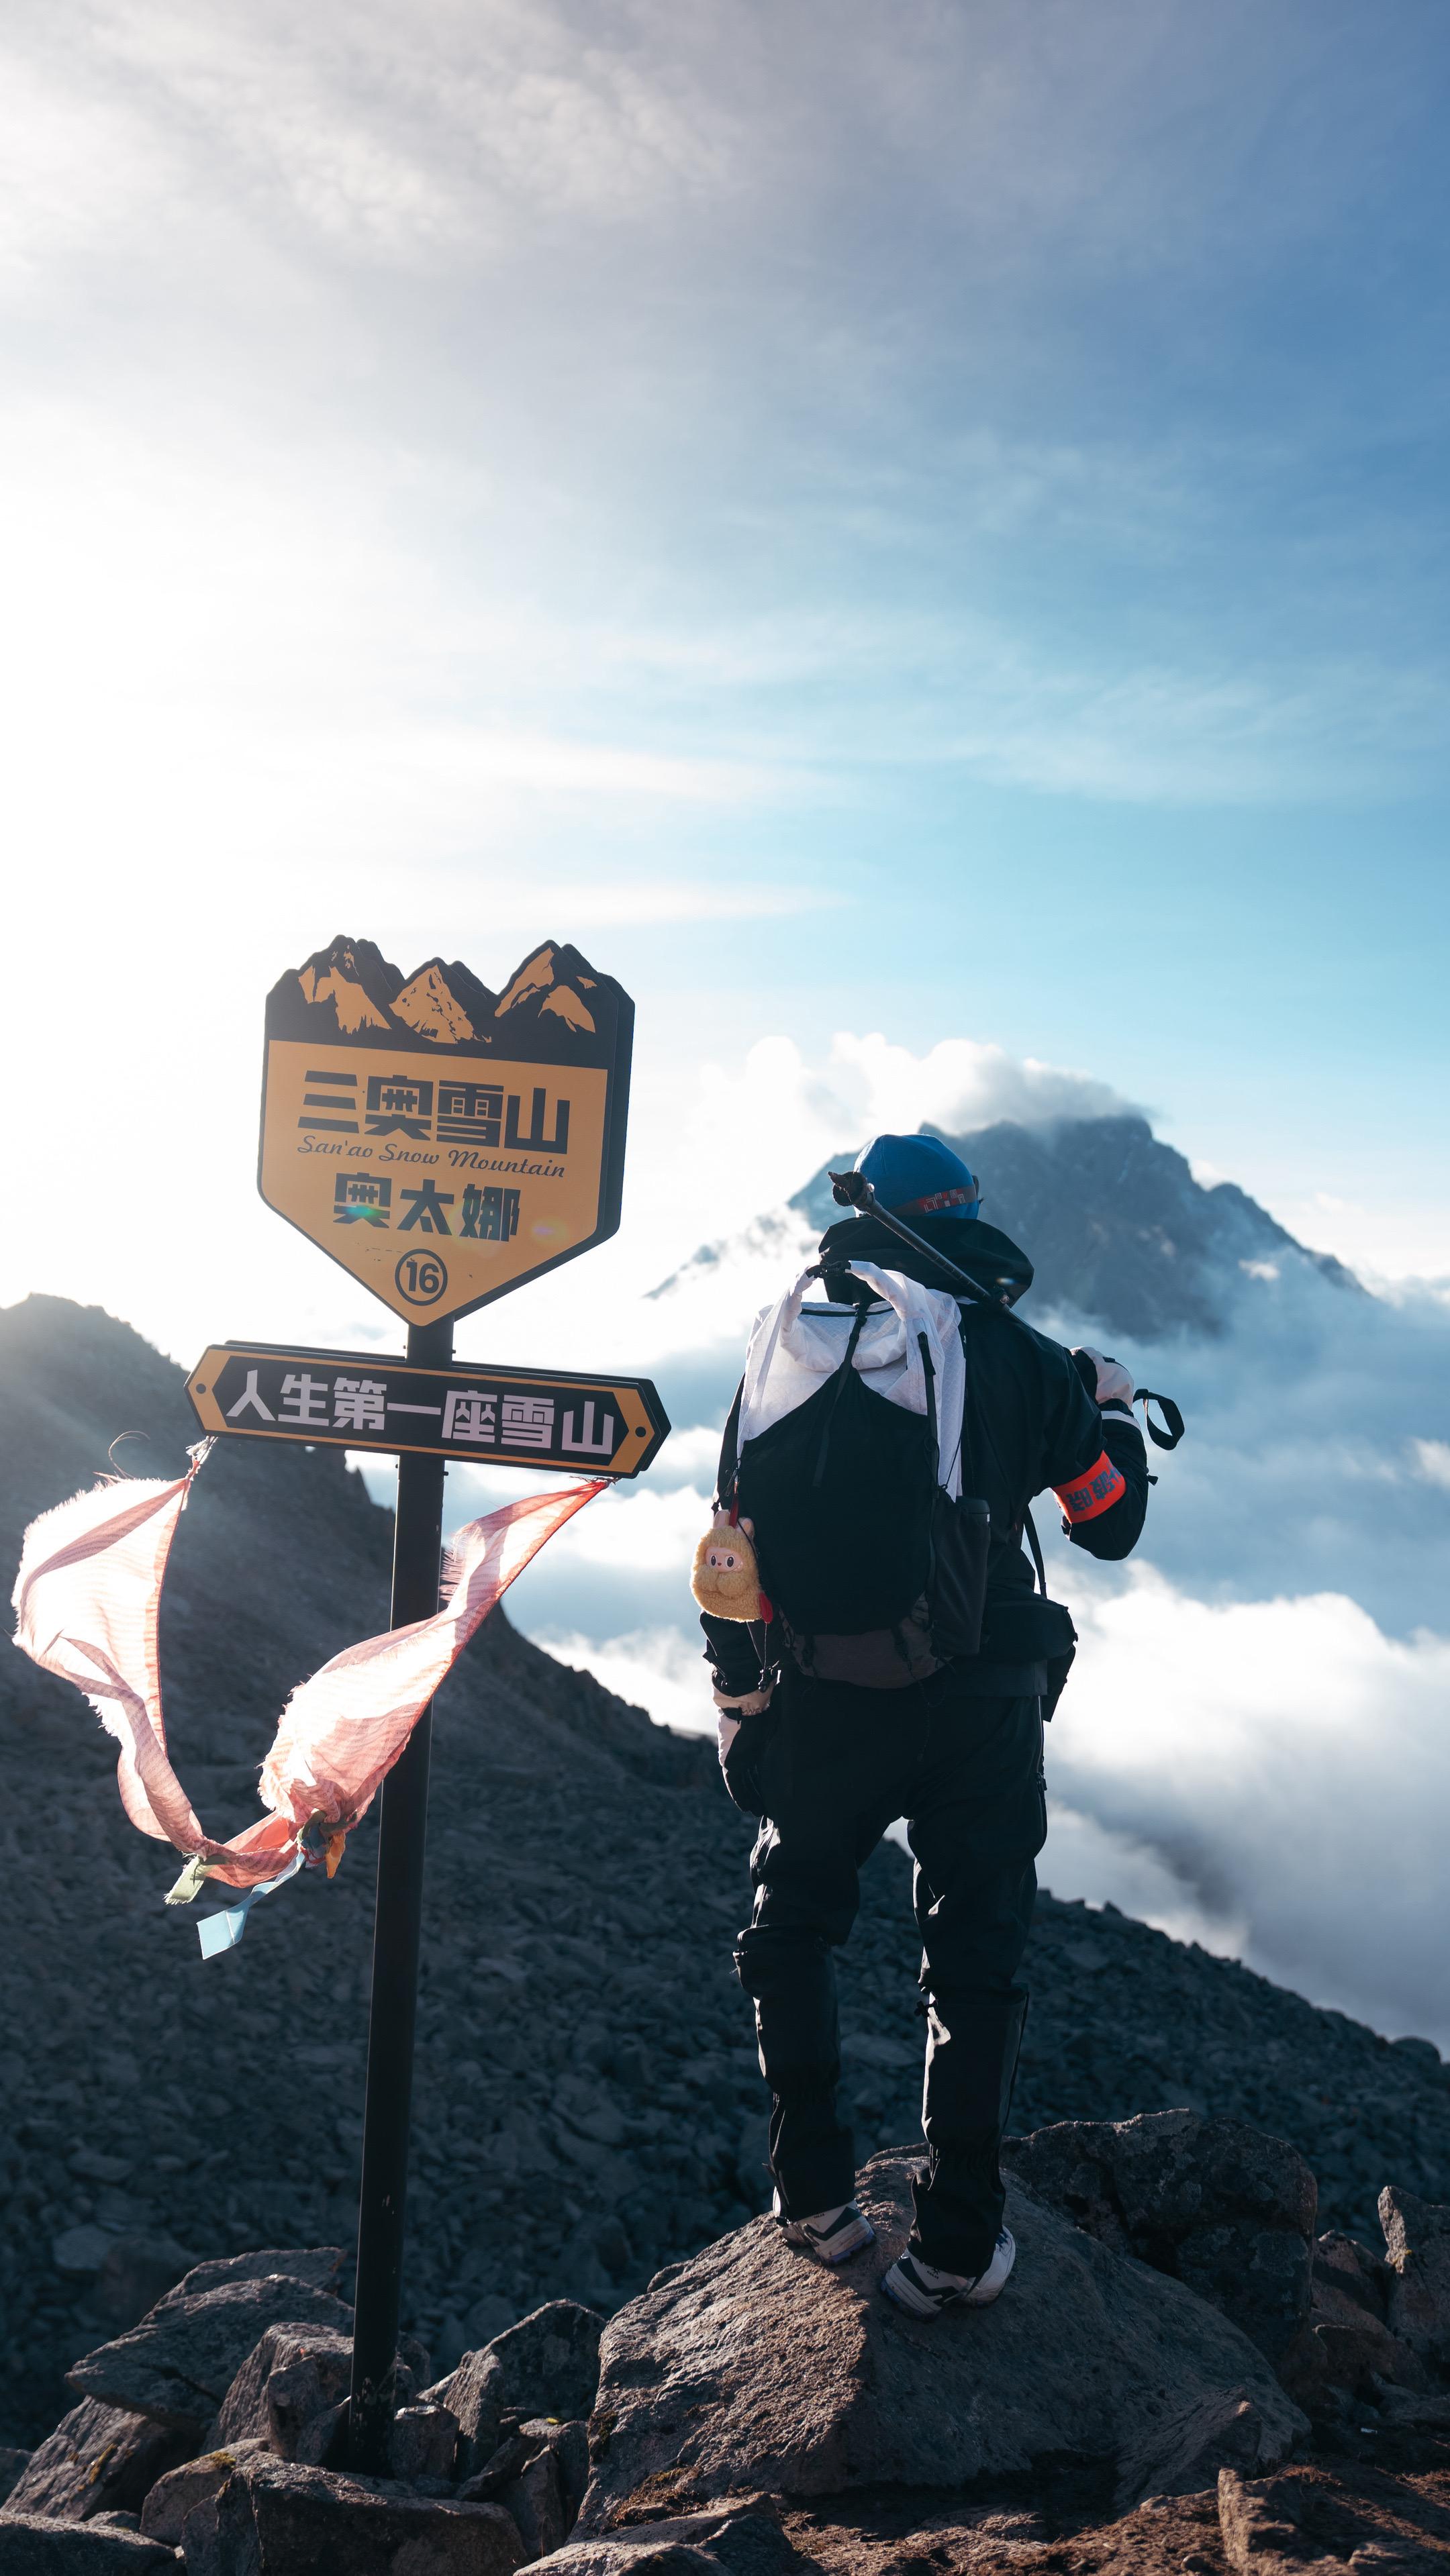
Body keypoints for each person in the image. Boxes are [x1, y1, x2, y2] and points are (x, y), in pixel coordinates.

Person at [699, 1132, 1150, 2318]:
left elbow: (730, 1541)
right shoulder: (1012, 1351)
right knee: (974, 1955)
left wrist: (742, 1688)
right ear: (966, 1215)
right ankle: (956, 2244)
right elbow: (1105, 1523)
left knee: (790, 1926)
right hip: (980, 1700)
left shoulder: (785, 1350)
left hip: (819, 1696)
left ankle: (811, 2192)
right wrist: (1104, 1409)